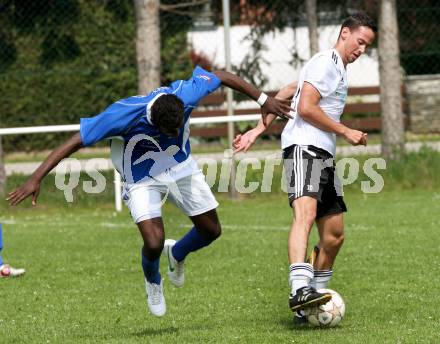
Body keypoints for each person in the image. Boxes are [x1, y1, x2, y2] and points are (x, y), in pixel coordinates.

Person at [7, 66, 292, 317]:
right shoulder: (121, 116)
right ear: (155, 123)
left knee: (211, 231)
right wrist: (36, 177)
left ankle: (177, 254)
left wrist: (264, 100)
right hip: (139, 175)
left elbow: (223, 76)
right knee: (153, 242)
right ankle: (153, 282)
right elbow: (74, 141)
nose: (176, 131)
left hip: (181, 166)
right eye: (170, 130)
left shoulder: (185, 95)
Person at [233, 12, 377, 318]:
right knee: (306, 214)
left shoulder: (335, 68)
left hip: (323, 153)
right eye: (360, 42)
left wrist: (258, 130)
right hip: (303, 147)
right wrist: (345, 130)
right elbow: (306, 107)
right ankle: (300, 290)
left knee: (334, 235)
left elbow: (287, 93)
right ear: (344, 33)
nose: (362, 50)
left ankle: (315, 295)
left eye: (367, 46)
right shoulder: (326, 61)